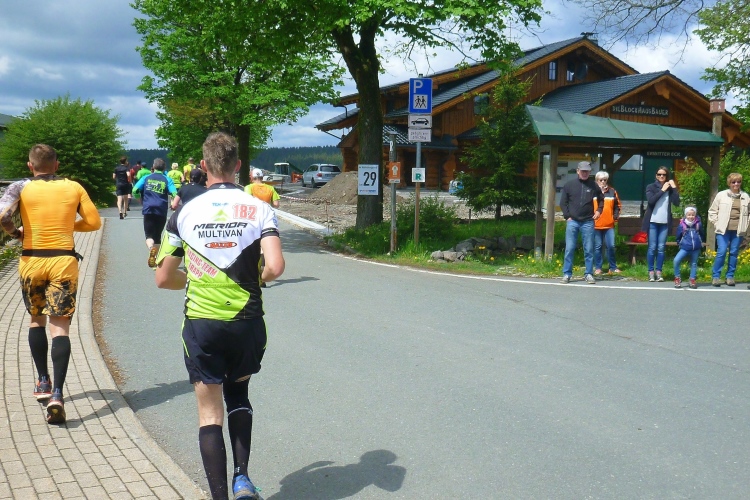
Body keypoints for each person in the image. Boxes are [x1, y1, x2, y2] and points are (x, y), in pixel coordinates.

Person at [155, 131, 285, 499]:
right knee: (239, 395)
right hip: (247, 322)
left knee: (209, 414)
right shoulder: (260, 208)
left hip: (202, 325)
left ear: (203, 166)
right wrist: (255, 278)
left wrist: (196, 277)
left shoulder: (183, 212)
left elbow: (163, 278)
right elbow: (275, 267)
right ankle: (242, 479)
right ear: (238, 166)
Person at [0, 144, 101, 424]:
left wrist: (17, 234)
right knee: (60, 327)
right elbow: (94, 222)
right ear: (56, 165)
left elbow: (3, 216)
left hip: (31, 261)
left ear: (30, 166)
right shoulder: (74, 187)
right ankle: (57, 394)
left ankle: (42, 380)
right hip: (63, 262)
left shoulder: (20, 187)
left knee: (36, 320)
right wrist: (69, 225)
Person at [560, 161, 604, 284]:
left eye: (587, 171)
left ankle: (588, 273)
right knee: (569, 248)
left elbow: (601, 200)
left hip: (588, 221)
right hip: (573, 221)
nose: (585, 173)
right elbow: (563, 202)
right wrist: (567, 216)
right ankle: (567, 274)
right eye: (583, 171)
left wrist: (599, 211)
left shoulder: (594, 185)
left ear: (589, 172)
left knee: (588, 249)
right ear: (578, 171)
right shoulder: (569, 185)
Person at [132, 158, 177, 268]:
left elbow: (135, 190)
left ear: (153, 167)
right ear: (164, 168)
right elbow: (174, 193)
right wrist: (174, 203)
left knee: (149, 235)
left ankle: (151, 248)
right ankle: (156, 260)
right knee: (157, 235)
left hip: (148, 209)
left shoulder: (146, 178)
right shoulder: (167, 179)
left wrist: (139, 199)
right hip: (161, 209)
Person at [708, 172, 750, 287]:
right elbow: (712, 211)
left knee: (734, 253)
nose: (736, 184)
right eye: (733, 182)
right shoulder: (721, 195)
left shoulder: (746, 197)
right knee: (721, 251)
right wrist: (716, 223)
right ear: (729, 183)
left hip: (738, 230)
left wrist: (746, 225)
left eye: (738, 182)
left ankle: (730, 276)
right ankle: (716, 276)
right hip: (723, 230)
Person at [643, 167, 680, 282]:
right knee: (652, 247)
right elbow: (651, 201)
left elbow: (677, 202)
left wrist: (674, 188)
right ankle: (651, 271)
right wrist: (662, 190)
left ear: (667, 176)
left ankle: (659, 272)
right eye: (659, 174)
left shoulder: (670, 188)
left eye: (664, 175)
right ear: (656, 175)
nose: (661, 176)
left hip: (665, 222)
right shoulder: (651, 187)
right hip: (652, 221)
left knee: (661, 248)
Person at [593, 170, 621, 275]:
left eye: (605, 180)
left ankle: (612, 267)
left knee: (611, 246)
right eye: (600, 180)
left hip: (609, 224)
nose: (603, 182)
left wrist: (615, 218)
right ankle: (598, 268)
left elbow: (617, 206)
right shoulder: (592, 192)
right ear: (596, 180)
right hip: (596, 224)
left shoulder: (612, 191)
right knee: (598, 246)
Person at [673, 206, 702, 289]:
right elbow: (678, 236)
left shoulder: (698, 224)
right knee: (676, 260)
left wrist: (699, 242)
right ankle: (677, 277)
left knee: (694, 263)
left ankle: (692, 279)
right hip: (685, 247)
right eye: (689, 215)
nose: (691, 216)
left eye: (693, 215)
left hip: (695, 248)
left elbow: (701, 234)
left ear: (695, 215)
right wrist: (680, 243)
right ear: (686, 215)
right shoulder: (682, 225)